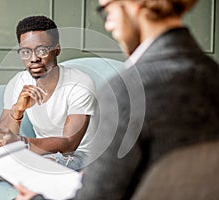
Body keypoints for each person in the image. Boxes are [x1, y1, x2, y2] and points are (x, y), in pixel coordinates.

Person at [15, 0, 219, 199]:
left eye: (108, 11)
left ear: (135, 4)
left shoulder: (126, 91)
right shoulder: (212, 74)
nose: (108, 24)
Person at [0, 15, 97, 200]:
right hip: (37, 152)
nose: (34, 59)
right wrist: (17, 111)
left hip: (82, 157)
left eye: (42, 50)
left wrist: (23, 144)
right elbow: (2, 138)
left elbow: (69, 144)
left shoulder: (80, 83)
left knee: (46, 165)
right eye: (26, 52)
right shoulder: (19, 83)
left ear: (57, 49)